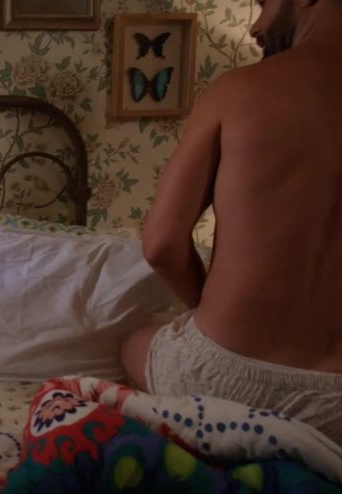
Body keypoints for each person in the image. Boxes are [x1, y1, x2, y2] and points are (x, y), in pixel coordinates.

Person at [120, 0, 342, 445]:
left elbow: (161, 245)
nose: (256, 26)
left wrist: (206, 307)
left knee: (133, 343)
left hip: (224, 381)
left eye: (263, 4)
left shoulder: (239, 90)